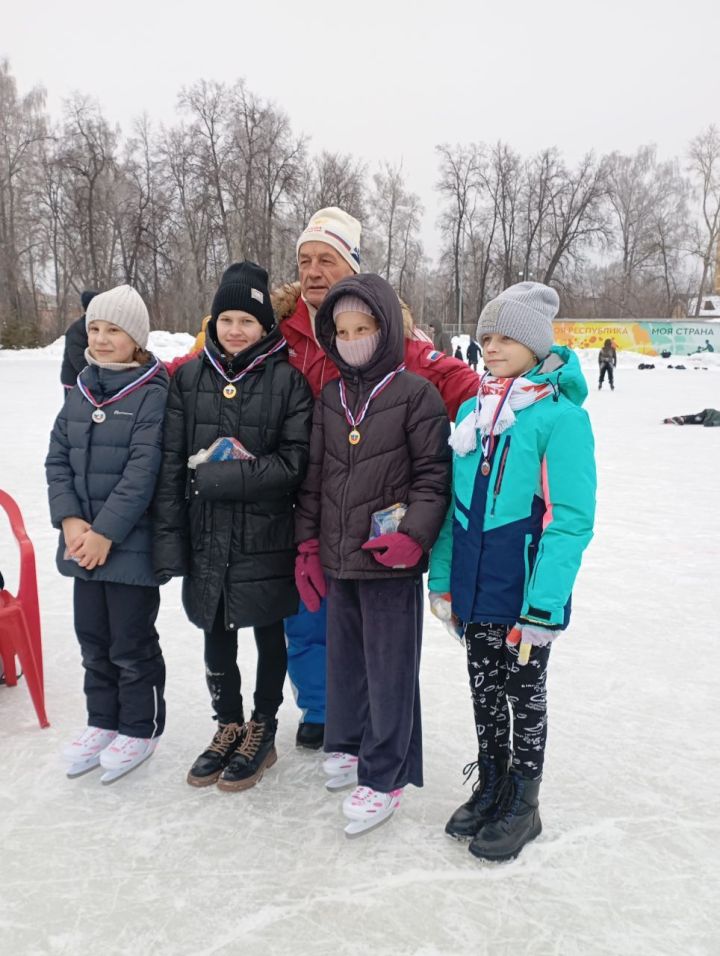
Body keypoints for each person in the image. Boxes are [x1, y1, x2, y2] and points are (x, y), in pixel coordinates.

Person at [276, 206, 479, 749]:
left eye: (327, 259)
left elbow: (462, 385)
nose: (314, 271)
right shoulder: (282, 333)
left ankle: (364, 720)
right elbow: (209, 365)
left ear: (353, 267)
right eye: (305, 260)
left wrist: (517, 408)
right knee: (306, 616)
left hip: (366, 510)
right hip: (300, 502)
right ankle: (322, 711)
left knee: (362, 626)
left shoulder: (394, 342)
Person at [429, 281, 596, 862]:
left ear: (534, 343)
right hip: (475, 588)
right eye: (485, 337)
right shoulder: (476, 412)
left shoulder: (560, 419)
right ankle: (493, 783)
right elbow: (456, 509)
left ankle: (524, 803)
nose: (491, 347)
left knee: (523, 696)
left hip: (524, 596)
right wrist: (443, 579)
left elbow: (570, 520)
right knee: (482, 693)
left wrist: (544, 605)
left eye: (505, 337)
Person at [294, 273, 451, 833]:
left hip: (390, 561)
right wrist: (309, 543)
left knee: (390, 671)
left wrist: (415, 536)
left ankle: (386, 775)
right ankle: (353, 743)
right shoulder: (331, 396)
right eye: (342, 330)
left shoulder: (415, 394)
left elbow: (434, 478)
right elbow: (314, 478)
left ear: (385, 331)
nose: (352, 338)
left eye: (364, 328)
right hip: (340, 558)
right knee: (347, 663)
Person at [152, 261, 313, 791]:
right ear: (213, 322)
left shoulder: (288, 381)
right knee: (215, 632)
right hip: (205, 534)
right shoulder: (190, 377)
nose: (236, 329)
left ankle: (262, 727)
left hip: (265, 535)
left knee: (269, 632)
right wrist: (171, 541)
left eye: (248, 319)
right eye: (227, 319)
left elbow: (294, 464)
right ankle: (228, 723)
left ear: (266, 325)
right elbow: (173, 462)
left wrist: (223, 476)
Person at [45, 285, 169, 782]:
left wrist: (105, 534)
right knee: (92, 638)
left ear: (135, 338)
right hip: (82, 544)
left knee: (130, 642)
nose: (100, 339)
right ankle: (103, 720)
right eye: (94, 329)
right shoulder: (82, 389)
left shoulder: (151, 393)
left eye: (112, 330)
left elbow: (143, 473)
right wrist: (71, 520)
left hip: (129, 547)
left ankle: (140, 726)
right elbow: (57, 458)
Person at [60, 290, 98, 391]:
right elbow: (78, 359)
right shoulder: (77, 329)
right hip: (74, 381)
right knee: (76, 407)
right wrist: (96, 376)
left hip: (87, 380)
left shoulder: (94, 325)